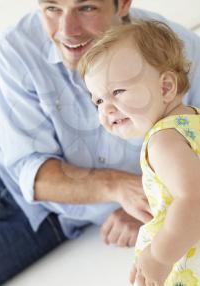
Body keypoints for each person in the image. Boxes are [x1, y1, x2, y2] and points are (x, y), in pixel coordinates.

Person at [0, 0, 200, 285]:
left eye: (86, 8)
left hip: (54, 221)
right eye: (51, 8)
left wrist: (159, 205)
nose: (67, 31)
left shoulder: (178, 53)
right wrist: (126, 188)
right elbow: (32, 170)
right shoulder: (17, 47)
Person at [78, 19, 200, 286]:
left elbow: (194, 199)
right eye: (98, 100)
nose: (106, 108)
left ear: (165, 87)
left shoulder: (163, 141)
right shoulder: (192, 121)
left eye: (118, 92)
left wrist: (159, 257)